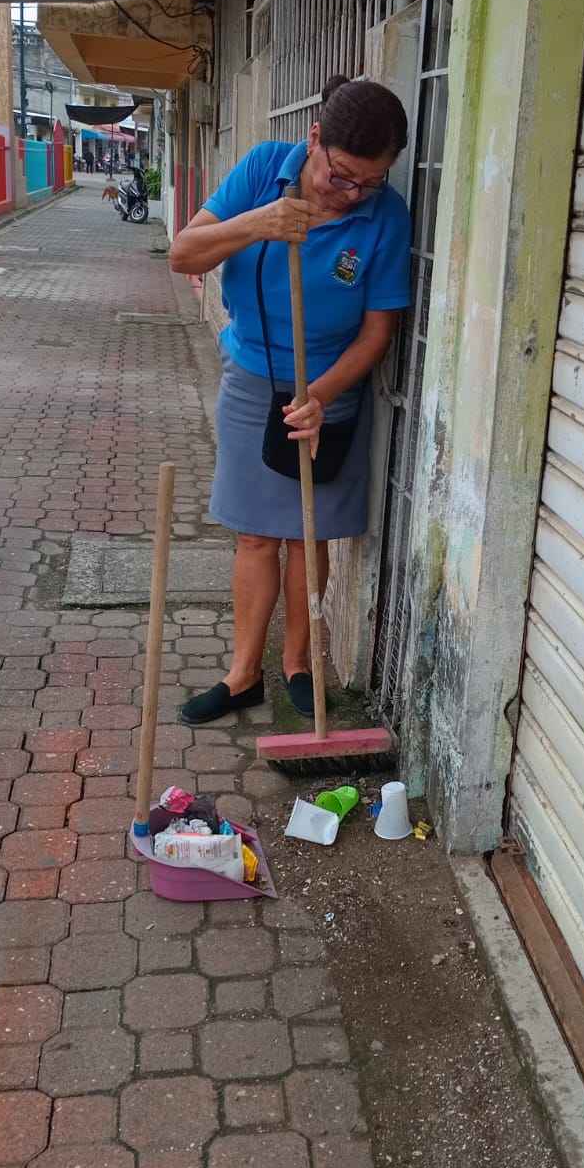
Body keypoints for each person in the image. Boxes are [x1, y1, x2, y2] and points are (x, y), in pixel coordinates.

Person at [169, 75, 412, 722]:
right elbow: (183, 255)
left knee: (309, 536)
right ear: (313, 139)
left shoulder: (385, 215)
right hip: (253, 376)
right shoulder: (262, 171)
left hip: (331, 391)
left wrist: (322, 396)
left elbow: (377, 332)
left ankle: (299, 664)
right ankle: (243, 675)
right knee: (255, 536)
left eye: (370, 182)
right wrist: (262, 222)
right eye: (341, 175)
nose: (352, 193)